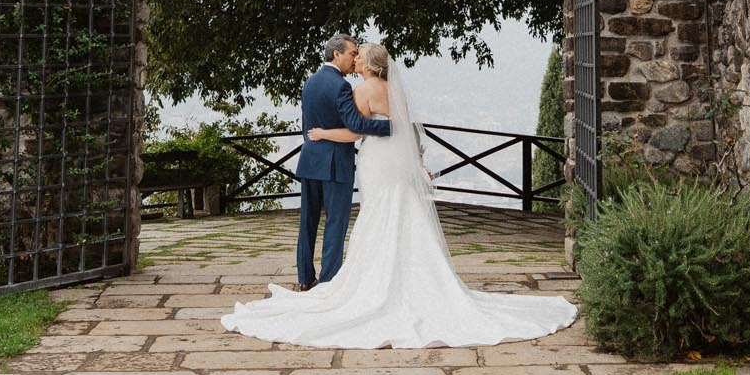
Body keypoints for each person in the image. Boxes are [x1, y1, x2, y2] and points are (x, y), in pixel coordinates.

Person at [221, 43, 576, 347]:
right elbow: (406, 130)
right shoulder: (395, 91)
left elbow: (356, 131)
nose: (355, 59)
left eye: (359, 56)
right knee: (400, 212)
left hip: (372, 160)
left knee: (371, 214)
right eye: (352, 54)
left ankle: (343, 281)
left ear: (368, 64)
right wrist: (402, 139)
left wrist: (323, 134)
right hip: (396, 162)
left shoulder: (354, 90)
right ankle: (414, 279)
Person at [292, 31, 391, 289]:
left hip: (311, 158)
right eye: (351, 53)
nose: (354, 58)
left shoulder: (310, 83)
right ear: (337, 54)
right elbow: (356, 125)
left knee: (308, 222)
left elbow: (307, 126)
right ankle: (328, 281)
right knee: (335, 222)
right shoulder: (341, 86)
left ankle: (304, 278)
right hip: (336, 162)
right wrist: (391, 128)